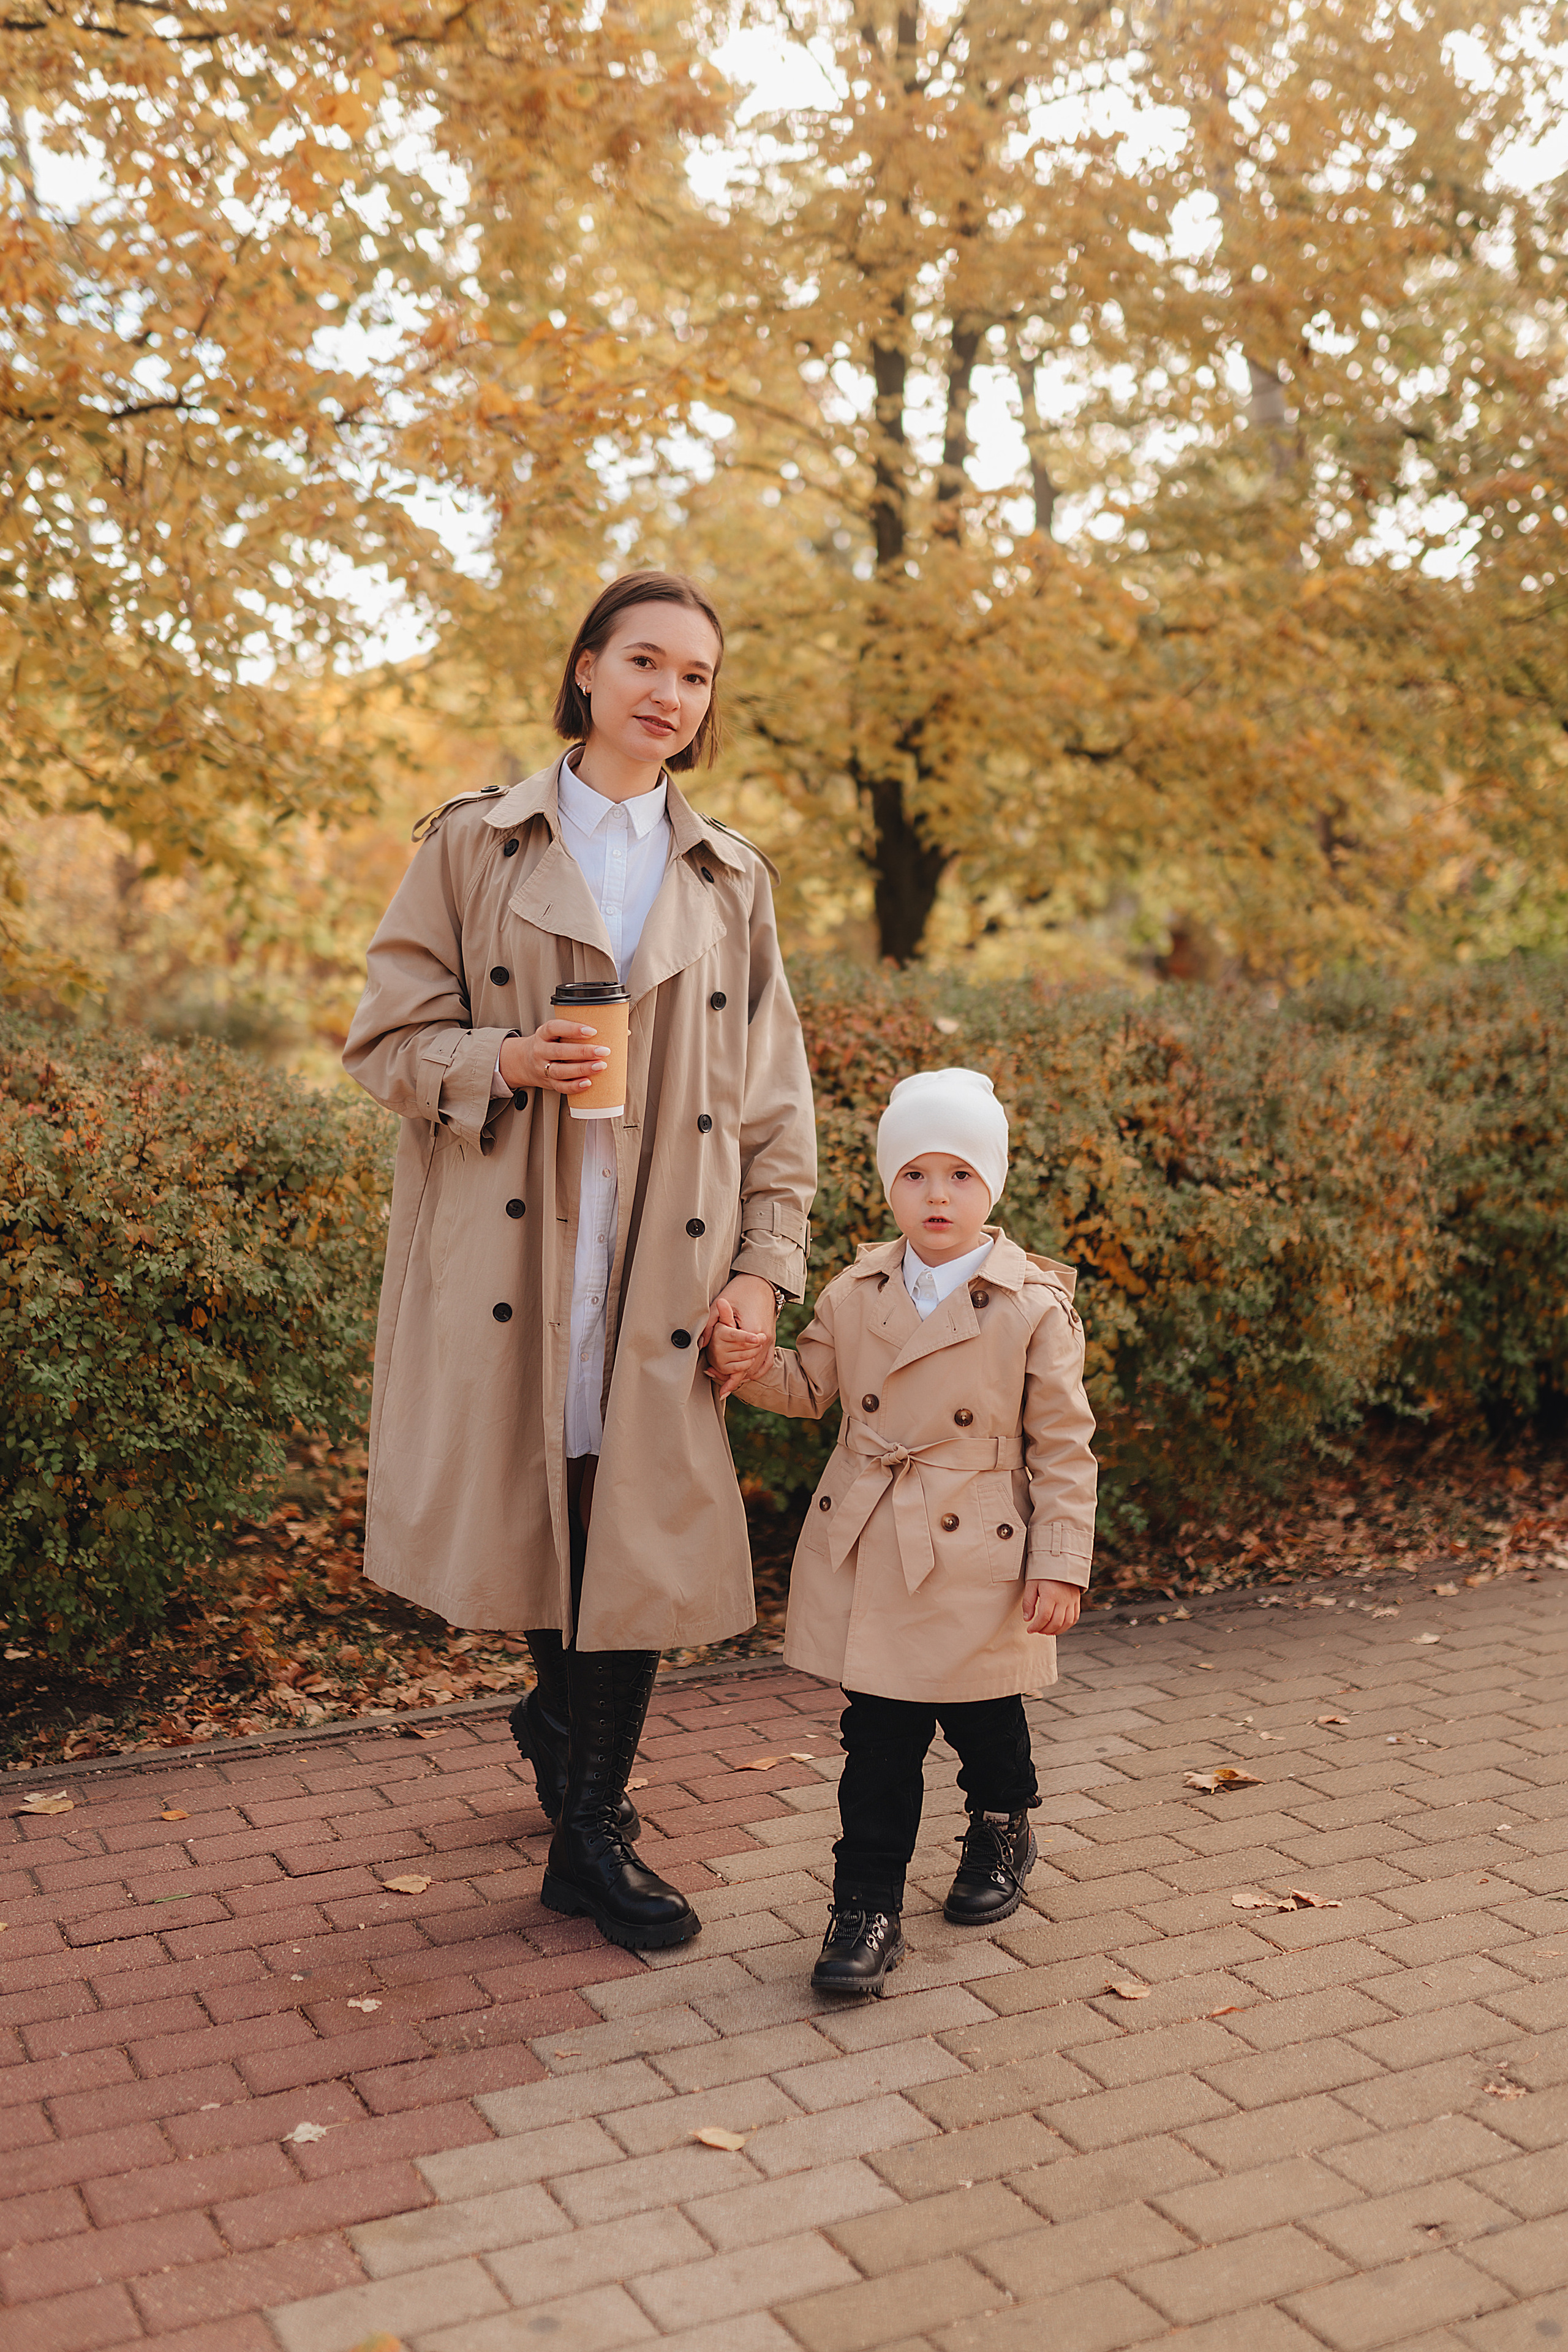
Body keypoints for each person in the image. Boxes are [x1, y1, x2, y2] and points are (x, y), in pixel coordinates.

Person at [343, 570, 816, 1953]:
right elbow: (383, 1038)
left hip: (668, 1253)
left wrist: (763, 1268)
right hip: (513, 1243)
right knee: (558, 1500)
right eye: (647, 665)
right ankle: (560, 1728)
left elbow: (777, 1097)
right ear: (588, 670)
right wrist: (500, 1058)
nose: (671, 696)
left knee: (640, 1523)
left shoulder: (730, 876)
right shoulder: (474, 846)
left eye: (698, 676)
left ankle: (588, 1833)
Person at [707, 1068, 1096, 1994]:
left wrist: (1061, 1564)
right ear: (891, 1185)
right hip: (878, 1538)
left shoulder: (1035, 1305)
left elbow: (1065, 1449)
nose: (937, 1194)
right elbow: (808, 1392)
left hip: (981, 1553)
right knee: (879, 1736)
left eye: (960, 1174)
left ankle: (1003, 1822)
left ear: (992, 1187)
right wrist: (746, 1358)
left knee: (982, 1718)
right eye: (916, 1173)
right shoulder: (856, 1287)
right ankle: (866, 1908)